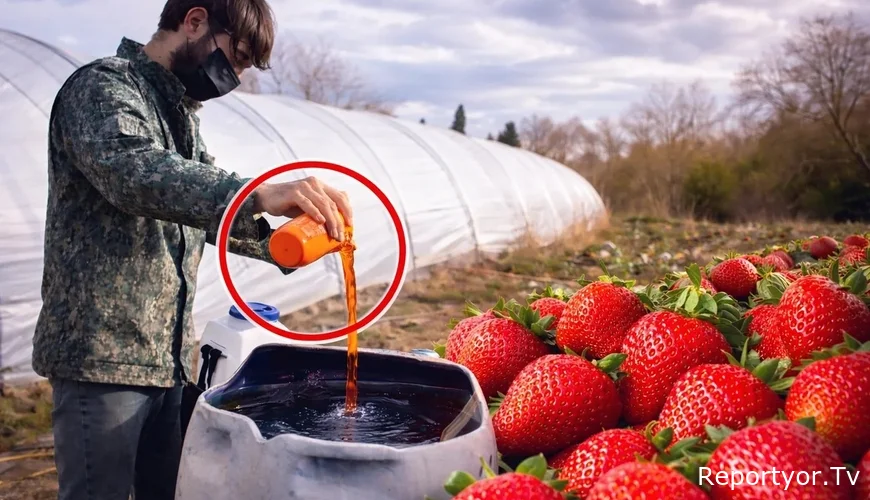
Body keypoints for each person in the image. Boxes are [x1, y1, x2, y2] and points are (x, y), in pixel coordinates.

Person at [30, 1, 353, 498]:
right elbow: (133, 174)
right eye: (236, 57)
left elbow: (202, 212)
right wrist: (257, 192)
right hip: (104, 361)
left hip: (168, 356)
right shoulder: (103, 87)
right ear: (196, 21)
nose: (235, 77)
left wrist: (289, 246)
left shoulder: (177, 113)